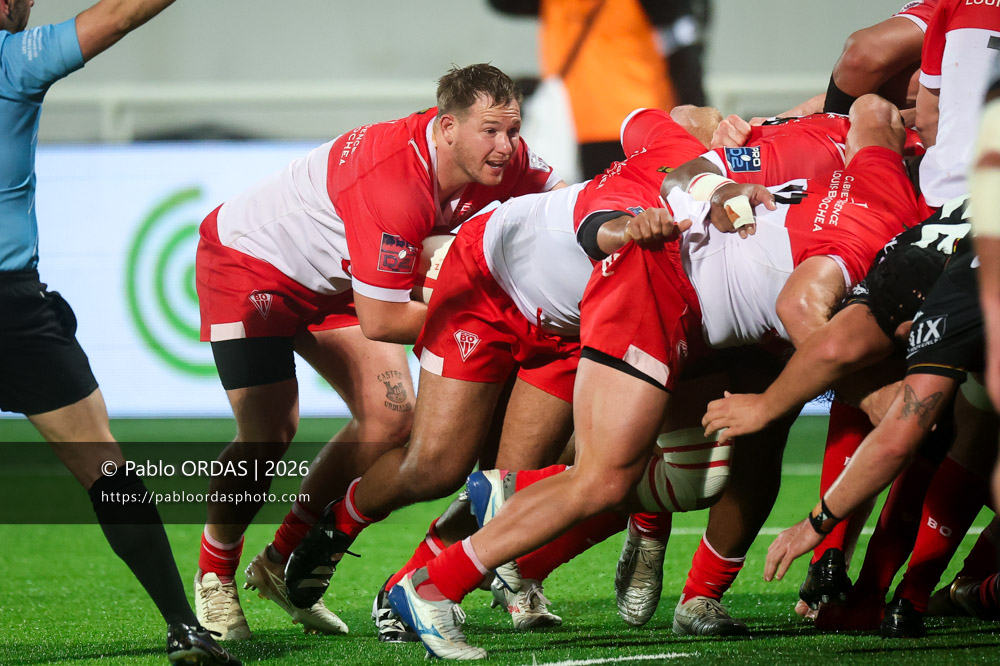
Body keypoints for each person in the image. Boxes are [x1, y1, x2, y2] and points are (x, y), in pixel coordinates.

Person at [382, 94, 923, 660]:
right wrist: (891, 407)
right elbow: (802, 308)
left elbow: (872, 112)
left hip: (690, 307)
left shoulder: (880, 181)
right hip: (648, 285)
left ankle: (520, 495)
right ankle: (429, 584)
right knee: (599, 478)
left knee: (693, 482)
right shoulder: (873, 232)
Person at [283, 104, 720, 641]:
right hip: (486, 290)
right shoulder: (675, 159)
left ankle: (411, 586)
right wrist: (632, 227)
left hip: (570, 325)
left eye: (511, 131)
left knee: (508, 488)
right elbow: (605, 208)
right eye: (492, 130)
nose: (729, 123)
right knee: (436, 468)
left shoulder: (747, 190)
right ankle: (339, 524)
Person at [192, 63, 564, 640]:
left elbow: (564, 207)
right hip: (251, 265)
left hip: (342, 279)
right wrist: (494, 332)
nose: (506, 146)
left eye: (512, 130)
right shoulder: (395, 182)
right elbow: (386, 319)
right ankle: (214, 576)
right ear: (446, 128)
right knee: (269, 432)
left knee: (394, 420)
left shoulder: (502, 160)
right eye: (490, 131)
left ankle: (283, 558)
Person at [0, 1, 236, 663]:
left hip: (20, 304)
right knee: (107, 469)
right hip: (11, 310)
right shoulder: (14, 59)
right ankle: (183, 627)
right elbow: (122, 13)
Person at [763, 242, 992, 634]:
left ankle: (929, 596)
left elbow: (896, 442)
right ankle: (912, 598)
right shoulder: (941, 251)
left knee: (964, 433)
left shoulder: (947, 305)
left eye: (890, 321)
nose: (893, 339)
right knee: (972, 425)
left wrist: (815, 525)